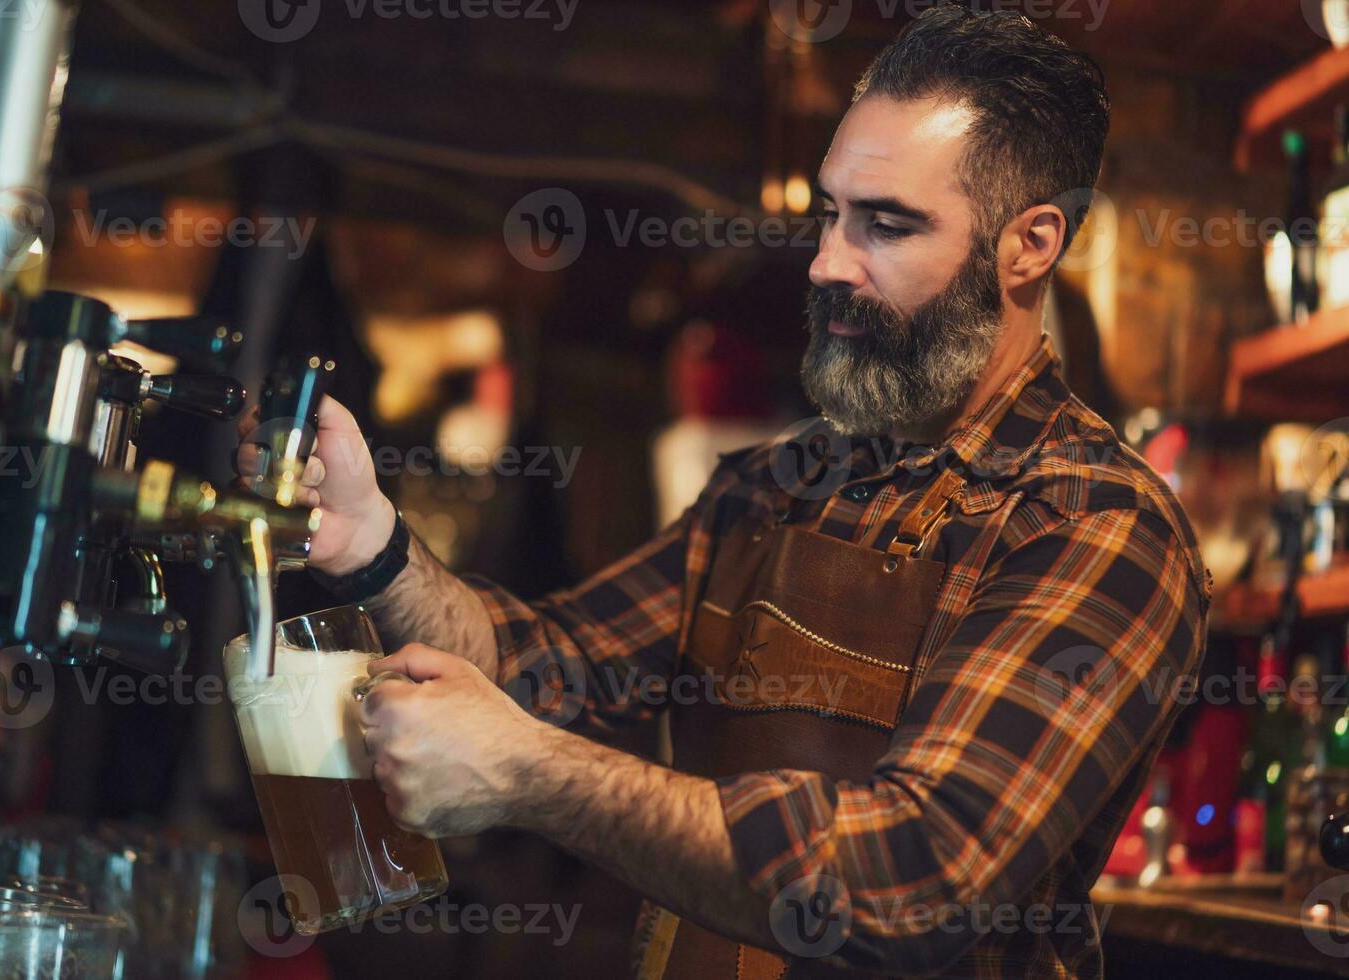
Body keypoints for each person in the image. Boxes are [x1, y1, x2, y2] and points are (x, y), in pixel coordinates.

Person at [238, 7, 1209, 977]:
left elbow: (915, 877)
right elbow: (543, 665)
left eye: (886, 224)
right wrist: (372, 542)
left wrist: (528, 772)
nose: (828, 262)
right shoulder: (781, 487)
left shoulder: (1095, 524)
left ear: (1028, 245)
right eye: (832, 214)